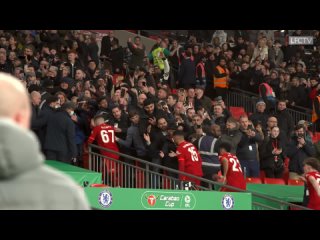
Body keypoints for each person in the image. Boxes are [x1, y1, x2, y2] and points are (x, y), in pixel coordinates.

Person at [0, 72, 89, 210]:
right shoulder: (69, 193)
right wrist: (74, 154)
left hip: (49, 148)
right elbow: (70, 138)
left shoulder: (51, 116)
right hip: (62, 152)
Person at [88, 114, 121, 186]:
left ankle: (117, 187)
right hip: (116, 151)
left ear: (96, 122)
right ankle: (102, 181)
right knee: (104, 168)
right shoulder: (111, 127)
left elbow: (89, 141)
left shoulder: (97, 128)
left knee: (111, 171)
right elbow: (119, 130)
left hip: (107, 153)